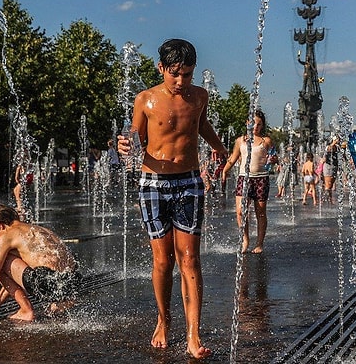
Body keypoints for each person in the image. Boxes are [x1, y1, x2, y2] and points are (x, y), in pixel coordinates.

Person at [117, 39, 227, 359]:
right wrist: (124, 145)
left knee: (189, 259)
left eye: (188, 75)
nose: (181, 82)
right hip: (153, 184)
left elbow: (202, 125)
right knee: (163, 261)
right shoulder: (145, 100)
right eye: (175, 74)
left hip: (190, 182)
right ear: (161, 68)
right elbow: (134, 137)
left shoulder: (199, 97)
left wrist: (219, 148)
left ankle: (194, 333)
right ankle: (164, 320)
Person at [0, 204, 81, 324]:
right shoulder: (38, 229)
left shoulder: (8, 235)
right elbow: (13, 282)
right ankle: (62, 303)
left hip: (48, 283)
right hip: (72, 284)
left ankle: (26, 310)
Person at [222, 109, 274, 254]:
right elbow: (233, 158)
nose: (255, 127)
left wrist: (274, 160)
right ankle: (245, 240)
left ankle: (259, 243)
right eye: (252, 123)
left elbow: (274, 156)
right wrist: (225, 171)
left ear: (262, 126)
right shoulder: (240, 141)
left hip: (261, 178)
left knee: (260, 212)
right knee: (240, 211)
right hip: (244, 179)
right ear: (247, 123)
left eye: (258, 124)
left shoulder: (266, 141)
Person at [322, 136, 340, 203]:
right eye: (337, 139)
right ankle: (324, 199)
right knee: (328, 185)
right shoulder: (329, 146)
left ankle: (330, 199)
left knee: (331, 185)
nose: (338, 140)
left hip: (335, 166)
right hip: (328, 167)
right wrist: (333, 143)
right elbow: (328, 149)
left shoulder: (338, 147)